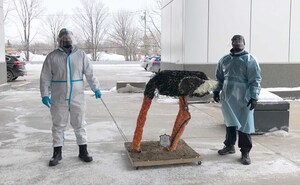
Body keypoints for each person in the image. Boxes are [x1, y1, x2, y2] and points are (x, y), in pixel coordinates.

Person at [40, 28, 102, 166]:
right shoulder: (52, 57)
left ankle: (83, 151)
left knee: (79, 123)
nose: (66, 41)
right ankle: (57, 153)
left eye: (68, 39)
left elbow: (90, 73)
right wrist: (45, 94)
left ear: (73, 40)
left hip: (77, 96)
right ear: (59, 41)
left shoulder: (80, 55)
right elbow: (45, 77)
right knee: (58, 125)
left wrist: (96, 88)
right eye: (64, 40)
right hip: (59, 97)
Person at [213, 35, 262, 165]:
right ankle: (229, 146)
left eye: (239, 40)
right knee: (230, 122)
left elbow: (255, 80)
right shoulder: (224, 59)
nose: (237, 42)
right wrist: (216, 91)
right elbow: (219, 78)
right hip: (228, 96)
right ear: (232, 43)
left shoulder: (250, 60)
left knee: (245, 124)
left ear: (244, 43)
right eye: (235, 40)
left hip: (243, 97)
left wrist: (254, 97)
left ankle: (245, 152)